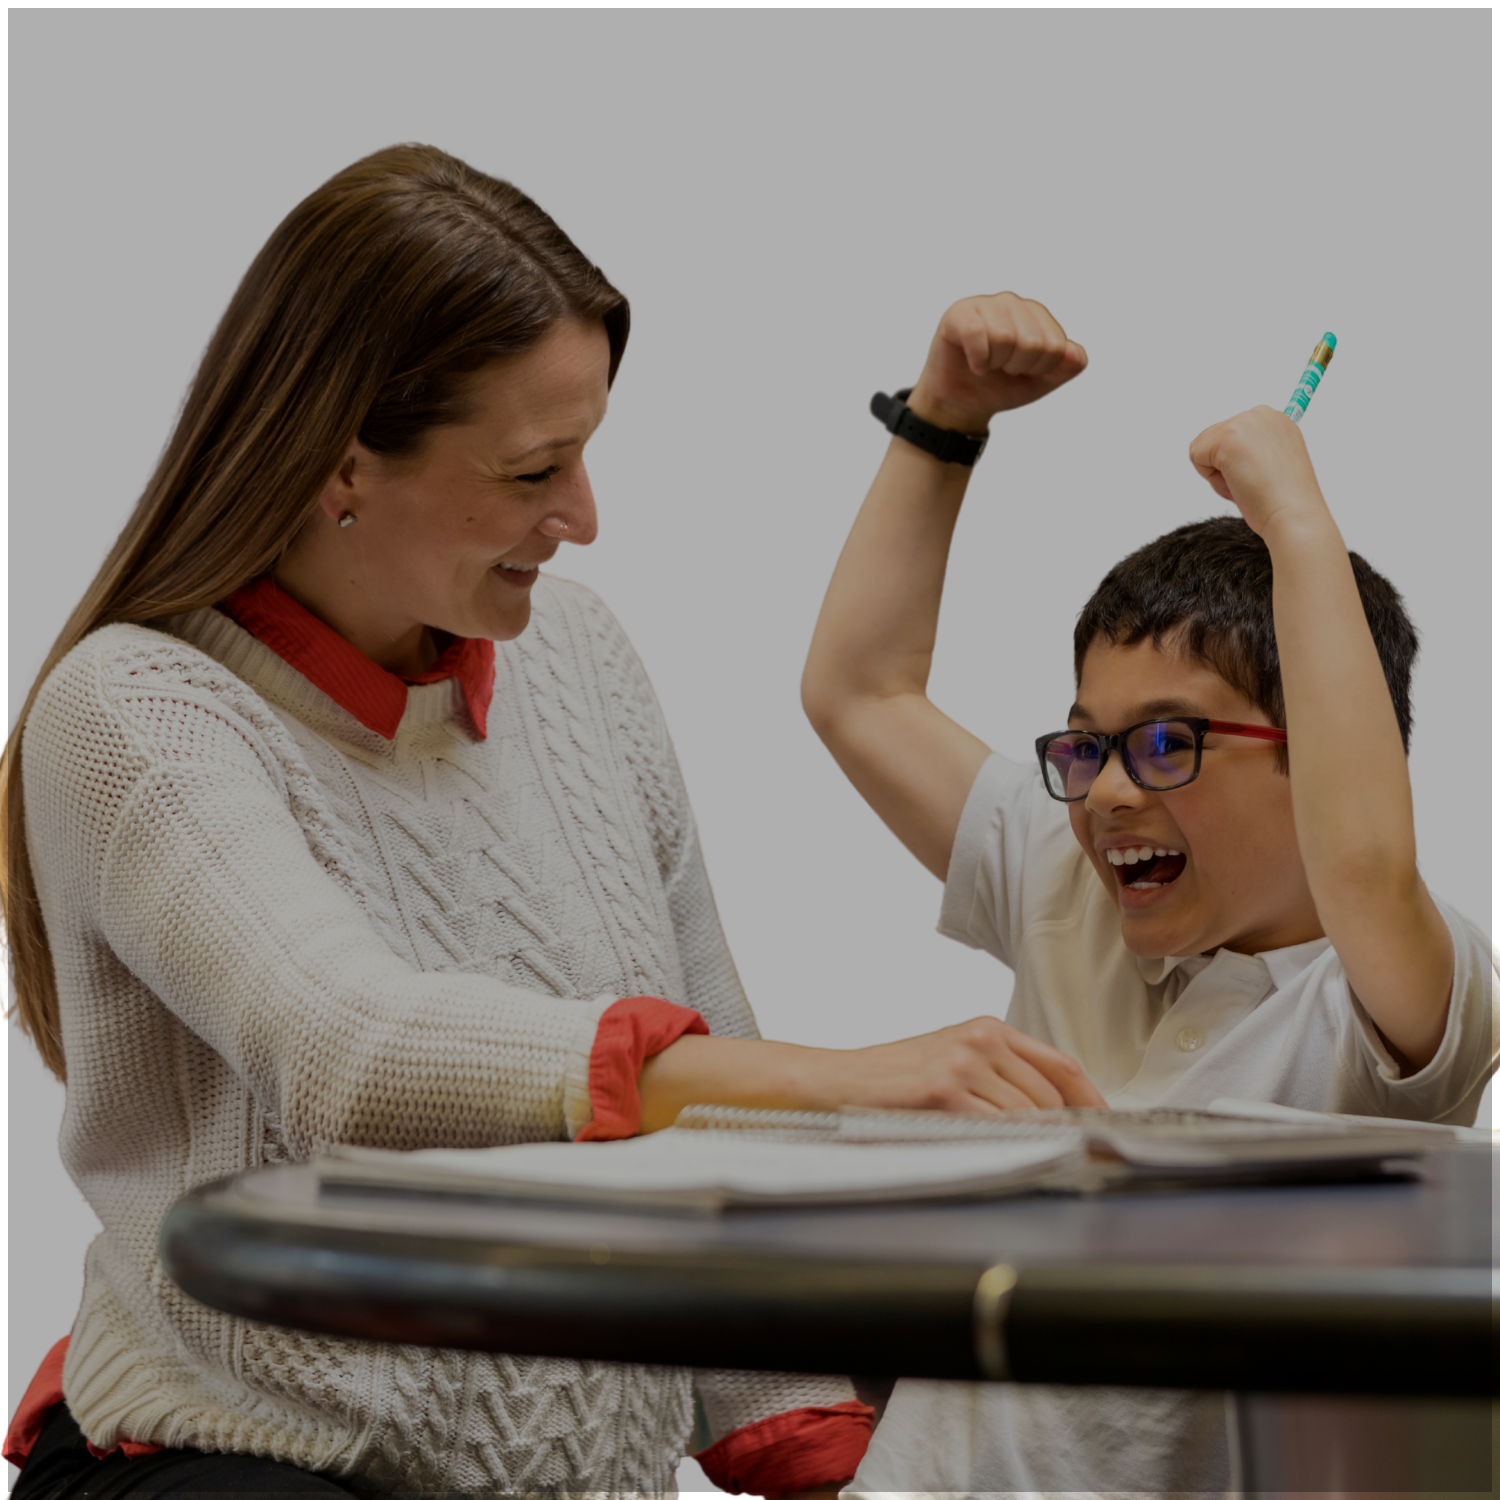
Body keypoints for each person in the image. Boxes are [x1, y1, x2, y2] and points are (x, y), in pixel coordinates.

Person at [1, 154, 1101, 1500]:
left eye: (585, 455)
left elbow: (714, 1083)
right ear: (344, 463)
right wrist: (852, 1075)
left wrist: (810, 1426)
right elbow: (349, 1047)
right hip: (239, 1462)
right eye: (536, 470)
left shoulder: (573, 656)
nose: (584, 518)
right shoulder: (134, 709)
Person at [800, 291, 1499, 1495]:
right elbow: (859, 692)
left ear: (1318, 750)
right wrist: (945, 417)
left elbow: (1367, 864)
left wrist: (1296, 521)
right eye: (1087, 744)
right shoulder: (1065, 877)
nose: (1110, 793)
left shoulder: (1382, 1008)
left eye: (1170, 742)